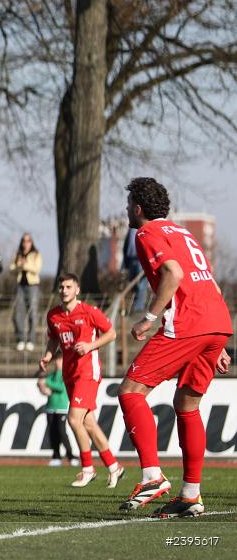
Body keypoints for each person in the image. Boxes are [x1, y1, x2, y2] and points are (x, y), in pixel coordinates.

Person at [117, 177, 232, 518]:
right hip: (216, 322)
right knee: (187, 403)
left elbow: (174, 273)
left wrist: (149, 317)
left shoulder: (146, 232)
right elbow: (207, 280)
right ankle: (191, 494)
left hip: (189, 321)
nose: (126, 210)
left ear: (137, 208)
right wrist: (217, 342)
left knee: (130, 391)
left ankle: (152, 476)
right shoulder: (183, 232)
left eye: (128, 205)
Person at [40, 273, 124, 489]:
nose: (64, 290)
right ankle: (114, 466)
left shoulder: (88, 311)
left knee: (74, 419)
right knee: (88, 423)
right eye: (61, 287)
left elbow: (111, 334)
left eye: (69, 286)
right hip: (69, 373)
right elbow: (53, 340)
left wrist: (90, 346)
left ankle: (88, 468)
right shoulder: (54, 315)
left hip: (87, 372)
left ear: (77, 290)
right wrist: (48, 356)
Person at [39, 354, 78, 467]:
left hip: (61, 408)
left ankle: (71, 456)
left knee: (62, 432)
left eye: (59, 360)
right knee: (52, 433)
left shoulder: (64, 375)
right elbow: (46, 389)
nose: (57, 362)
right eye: (56, 360)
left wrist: (46, 383)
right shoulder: (51, 376)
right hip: (50, 408)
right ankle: (56, 456)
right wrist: (42, 388)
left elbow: (61, 387)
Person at [10, 233, 42, 351]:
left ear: (31, 242)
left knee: (33, 312)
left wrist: (25, 265)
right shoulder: (18, 254)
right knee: (18, 313)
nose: (26, 243)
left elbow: (37, 269)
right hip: (20, 286)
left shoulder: (36, 254)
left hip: (33, 286)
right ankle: (20, 339)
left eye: (28, 240)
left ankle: (31, 340)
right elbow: (11, 268)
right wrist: (18, 265)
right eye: (24, 240)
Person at [122, 227, 148, 312]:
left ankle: (138, 308)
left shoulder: (146, 228)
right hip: (131, 259)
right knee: (132, 284)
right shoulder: (131, 228)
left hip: (142, 260)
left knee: (141, 285)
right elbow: (127, 245)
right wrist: (125, 262)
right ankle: (133, 307)